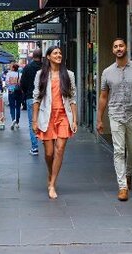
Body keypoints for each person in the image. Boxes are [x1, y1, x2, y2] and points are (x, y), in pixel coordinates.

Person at [97, 38, 132, 202]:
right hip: (115, 115)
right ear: (113, 50)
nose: (118, 48)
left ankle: (128, 174)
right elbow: (103, 96)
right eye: (115, 46)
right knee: (119, 151)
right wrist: (99, 119)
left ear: (126, 47)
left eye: (121, 45)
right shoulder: (107, 72)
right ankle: (122, 186)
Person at [31, 46, 77, 200]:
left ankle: (52, 184)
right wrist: (34, 120)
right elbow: (36, 97)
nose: (59, 55)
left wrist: (75, 120)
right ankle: (51, 173)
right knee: (49, 153)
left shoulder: (69, 75)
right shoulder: (41, 74)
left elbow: (72, 98)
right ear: (48, 57)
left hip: (64, 116)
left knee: (60, 149)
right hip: (47, 116)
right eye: (55, 53)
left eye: (60, 53)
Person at [20, 48, 43, 155]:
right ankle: (47, 143)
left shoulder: (27, 68)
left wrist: (26, 93)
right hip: (44, 98)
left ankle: (34, 147)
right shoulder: (46, 67)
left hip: (31, 97)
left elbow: (22, 83)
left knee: (31, 122)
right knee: (45, 120)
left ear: (32, 56)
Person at [5, 63, 22, 130]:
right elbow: (21, 83)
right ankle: (17, 122)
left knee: (12, 106)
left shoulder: (9, 74)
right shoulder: (20, 74)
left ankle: (13, 120)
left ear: (13, 68)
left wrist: (10, 86)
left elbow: (6, 82)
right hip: (18, 91)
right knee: (18, 107)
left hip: (11, 91)